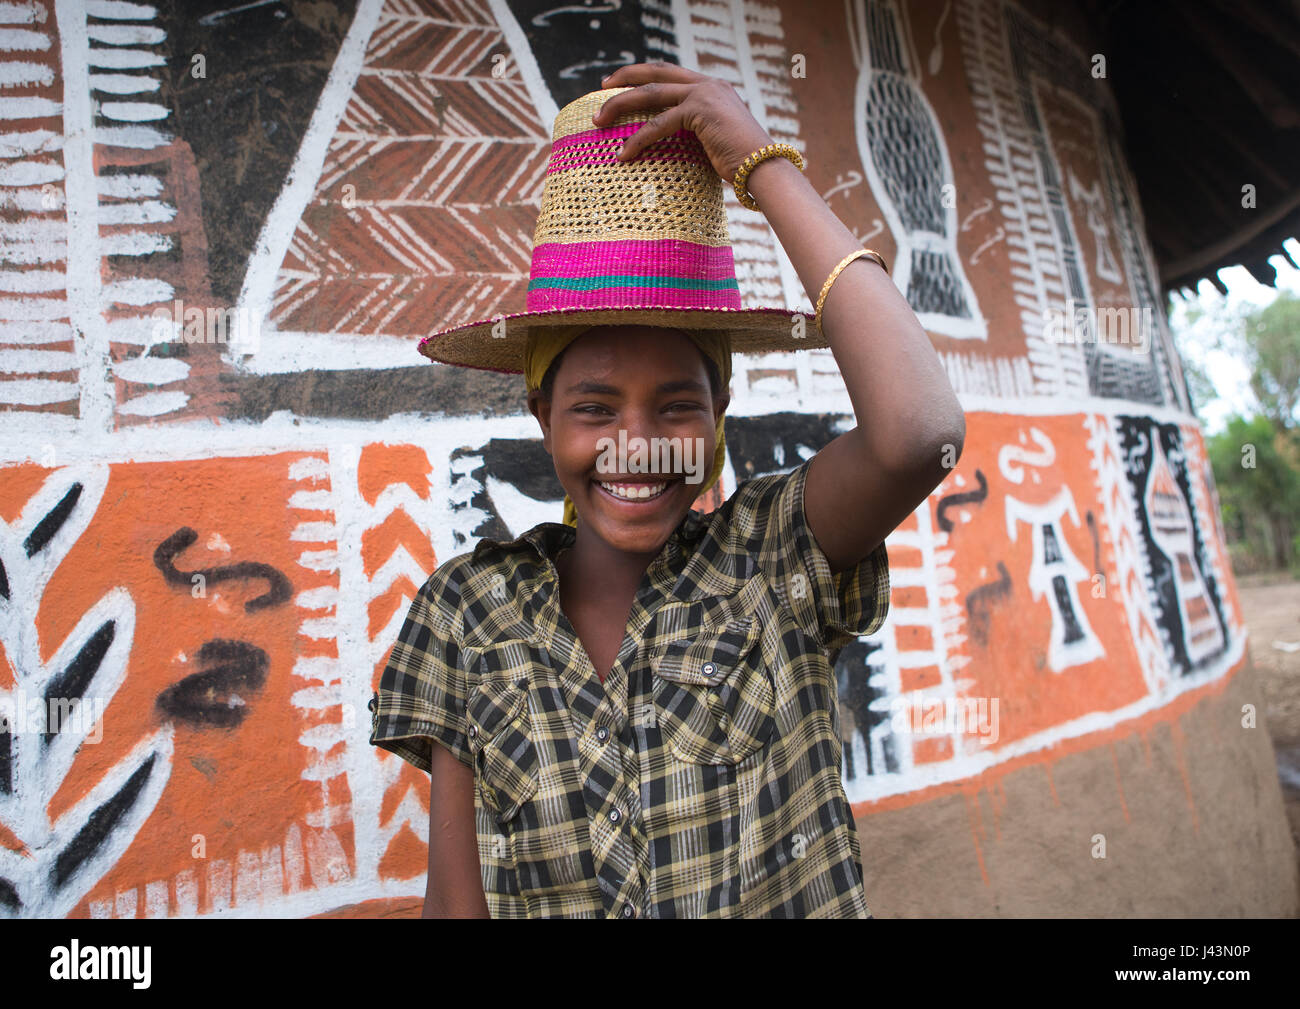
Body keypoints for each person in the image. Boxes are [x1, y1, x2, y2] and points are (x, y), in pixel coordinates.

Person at [368, 63, 966, 918]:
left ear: (722, 408)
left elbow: (921, 435)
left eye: (678, 404)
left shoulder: (772, 556)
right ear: (541, 414)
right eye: (594, 408)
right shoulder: (468, 612)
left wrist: (765, 165)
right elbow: (455, 904)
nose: (637, 445)